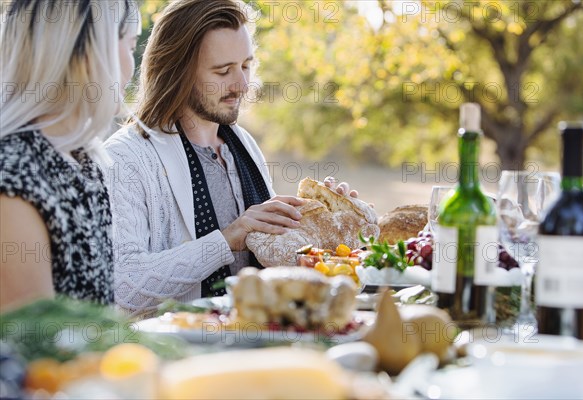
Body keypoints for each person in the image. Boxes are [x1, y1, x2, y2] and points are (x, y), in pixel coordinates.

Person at [104, 0, 359, 316]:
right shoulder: (125, 157)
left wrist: (327, 228)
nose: (241, 85)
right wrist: (225, 240)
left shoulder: (244, 146)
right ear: (177, 72)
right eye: (223, 71)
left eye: (246, 66)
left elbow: (270, 266)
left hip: (251, 346)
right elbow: (124, 284)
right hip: (174, 357)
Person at [0, 0, 139, 311]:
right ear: (87, 49)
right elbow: (34, 343)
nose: (133, 66)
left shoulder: (84, 160)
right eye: (130, 46)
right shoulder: (13, 174)